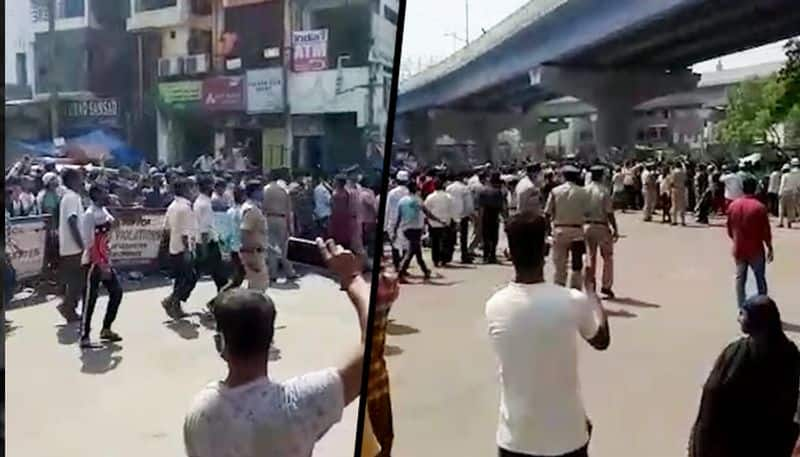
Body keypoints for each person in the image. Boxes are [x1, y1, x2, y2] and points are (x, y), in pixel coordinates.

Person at [183, 238, 373, 457]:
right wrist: (353, 278)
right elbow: (371, 346)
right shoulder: (300, 404)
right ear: (270, 338)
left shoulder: (200, 412)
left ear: (220, 344)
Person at [485, 212, 610, 457]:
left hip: (516, 438)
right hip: (568, 436)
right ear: (545, 251)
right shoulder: (573, 301)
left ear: (510, 254)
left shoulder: (494, 306)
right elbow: (602, 340)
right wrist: (591, 295)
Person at [689, 295, 799, 457]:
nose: (739, 319)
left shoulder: (737, 353)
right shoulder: (791, 353)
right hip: (774, 444)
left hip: (734, 444)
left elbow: (713, 395)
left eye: (743, 314)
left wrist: (699, 445)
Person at [79, 185, 123, 348]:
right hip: (93, 261)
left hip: (105, 258)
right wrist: (100, 263)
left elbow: (114, 226)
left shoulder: (104, 211)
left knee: (116, 292)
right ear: (96, 195)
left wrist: (116, 209)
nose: (108, 195)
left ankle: (106, 328)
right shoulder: (90, 214)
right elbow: (90, 243)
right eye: (104, 193)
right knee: (90, 299)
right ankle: (84, 336)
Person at [726, 177, 773, 309]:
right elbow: (766, 231)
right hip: (756, 249)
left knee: (740, 280)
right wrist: (769, 247)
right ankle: (763, 310)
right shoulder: (759, 207)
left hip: (739, 248)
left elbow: (729, 230)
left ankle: (742, 309)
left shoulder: (733, 206)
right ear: (756, 189)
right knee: (760, 280)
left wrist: (737, 239)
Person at [544, 165, 589, 290]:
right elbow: (588, 213)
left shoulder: (555, 191)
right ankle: (575, 292)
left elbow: (547, 214)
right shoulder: (583, 192)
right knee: (576, 266)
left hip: (560, 231)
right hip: (577, 232)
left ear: (563, 176)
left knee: (560, 267)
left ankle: (559, 292)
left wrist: (547, 233)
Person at [394, 181, 444, 282]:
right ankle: (400, 273)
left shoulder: (402, 201)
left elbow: (398, 218)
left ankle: (425, 271)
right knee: (411, 251)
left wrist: (395, 230)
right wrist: (439, 220)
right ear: (416, 189)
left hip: (406, 229)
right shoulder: (418, 200)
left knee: (416, 251)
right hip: (416, 228)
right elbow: (427, 213)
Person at [162, 178, 197, 319]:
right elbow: (185, 233)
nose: (192, 192)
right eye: (190, 188)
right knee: (190, 278)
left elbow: (166, 229)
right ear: (185, 190)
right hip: (183, 248)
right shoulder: (186, 208)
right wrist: (188, 250)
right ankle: (171, 300)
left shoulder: (172, 206)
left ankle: (175, 306)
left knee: (180, 279)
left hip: (173, 247)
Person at [56, 169, 86, 323]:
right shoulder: (72, 197)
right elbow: (72, 221)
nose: (82, 181)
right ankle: (68, 307)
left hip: (69, 246)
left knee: (76, 279)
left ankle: (69, 306)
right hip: (73, 247)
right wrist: (81, 245)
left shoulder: (68, 197)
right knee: (78, 280)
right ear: (73, 180)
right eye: (79, 178)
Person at [584, 166, 619, 299]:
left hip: (587, 226)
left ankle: (590, 286)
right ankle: (606, 286)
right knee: (607, 257)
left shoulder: (584, 191)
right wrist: (615, 228)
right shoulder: (604, 191)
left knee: (590, 258)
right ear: (601, 176)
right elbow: (609, 212)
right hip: (601, 226)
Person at [195, 176, 229, 292]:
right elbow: (204, 229)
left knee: (219, 276)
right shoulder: (205, 204)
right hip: (208, 244)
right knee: (220, 276)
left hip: (208, 241)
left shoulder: (201, 201)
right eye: (211, 185)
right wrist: (204, 250)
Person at [263, 170, 298, 282]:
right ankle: (290, 272)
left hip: (269, 218)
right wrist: (291, 226)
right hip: (282, 218)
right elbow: (289, 210)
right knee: (285, 247)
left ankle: (272, 274)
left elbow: (262, 207)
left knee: (271, 247)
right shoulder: (284, 190)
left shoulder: (266, 189)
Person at [239, 180, 270, 292]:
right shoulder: (251, 210)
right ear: (254, 192)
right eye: (260, 191)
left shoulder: (250, 207)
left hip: (255, 250)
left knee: (258, 284)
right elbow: (245, 231)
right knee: (258, 286)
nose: (263, 194)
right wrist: (251, 254)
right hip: (253, 252)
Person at [220, 186, 246, 293]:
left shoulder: (230, 212)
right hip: (241, 247)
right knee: (238, 277)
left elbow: (227, 232)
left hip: (233, 247)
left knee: (238, 276)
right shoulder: (243, 212)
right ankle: (219, 297)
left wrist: (225, 249)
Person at [424, 178, 455, 267]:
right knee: (445, 242)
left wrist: (427, 220)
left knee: (435, 243)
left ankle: (436, 260)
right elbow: (452, 210)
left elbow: (426, 210)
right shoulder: (449, 197)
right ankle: (444, 259)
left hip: (434, 224)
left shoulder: (430, 197)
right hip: (445, 223)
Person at [446, 171, 474, 264]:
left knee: (450, 236)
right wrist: (469, 214)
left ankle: (448, 256)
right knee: (463, 238)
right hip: (462, 215)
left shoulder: (448, 188)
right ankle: (464, 256)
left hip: (451, 215)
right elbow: (468, 204)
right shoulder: (465, 188)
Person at [479, 172, 508, 264]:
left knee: (486, 236)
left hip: (485, 215)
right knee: (494, 237)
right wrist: (505, 218)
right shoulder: (498, 192)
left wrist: (480, 218)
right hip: (494, 215)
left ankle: (485, 256)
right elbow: (502, 207)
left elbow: (481, 206)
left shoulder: (483, 190)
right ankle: (492, 256)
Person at [385, 171, 410, 270]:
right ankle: (403, 267)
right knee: (406, 246)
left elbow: (388, 209)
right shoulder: (409, 192)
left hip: (393, 221)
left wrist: (386, 225)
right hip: (407, 222)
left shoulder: (392, 193)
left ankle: (396, 266)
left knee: (394, 245)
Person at [778, 159, 800, 228]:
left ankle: (781, 222)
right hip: (792, 192)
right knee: (790, 208)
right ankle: (789, 222)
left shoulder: (785, 175)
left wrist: (780, 193)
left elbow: (782, 184)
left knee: (781, 208)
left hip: (784, 192)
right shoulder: (794, 175)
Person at [670, 161, 688, 226]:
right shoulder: (683, 172)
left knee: (674, 205)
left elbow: (671, 182)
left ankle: (674, 221)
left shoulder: (673, 172)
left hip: (675, 188)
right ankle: (683, 221)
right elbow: (686, 181)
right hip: (682, 189)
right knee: (682, 205)